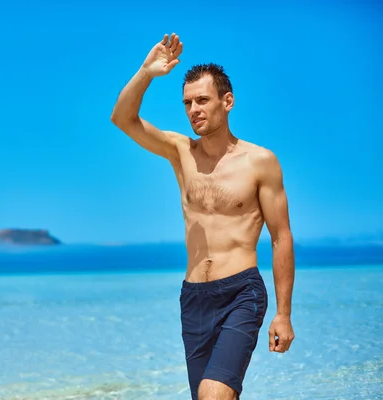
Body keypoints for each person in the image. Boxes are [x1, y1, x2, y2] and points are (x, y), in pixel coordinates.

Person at [110, 33, 296, 400]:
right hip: (194, 297)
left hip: (241, 291)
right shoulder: (180, 152)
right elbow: (123, 118)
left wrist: (283, 313)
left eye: (203, 100)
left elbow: (280, 237)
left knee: (214, 394)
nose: (194, 109)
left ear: (227, 102)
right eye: (187, 103)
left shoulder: (260, 162)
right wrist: (147, 72)